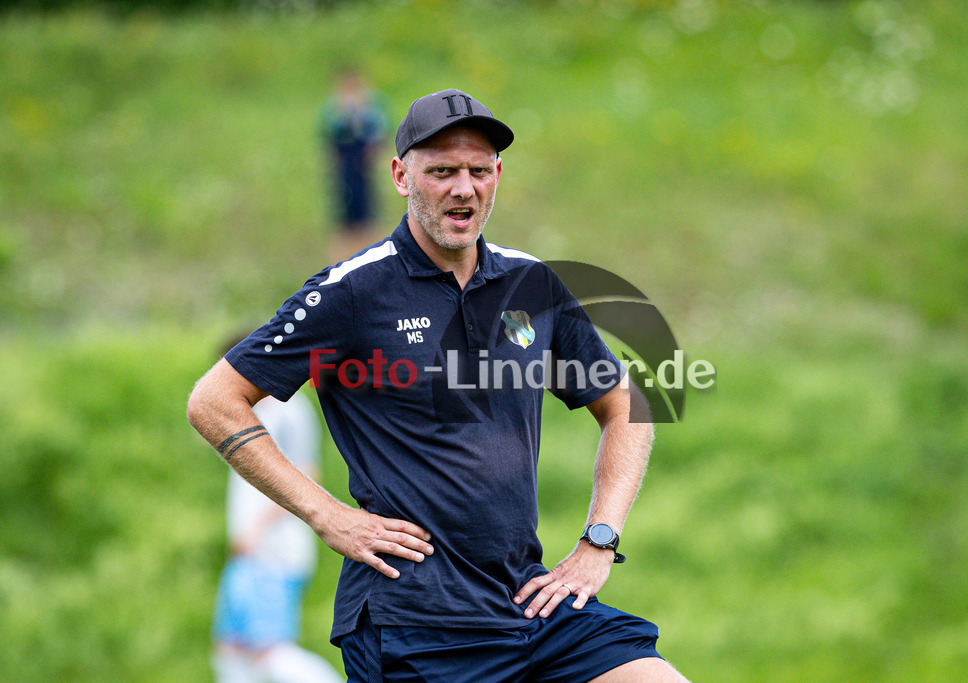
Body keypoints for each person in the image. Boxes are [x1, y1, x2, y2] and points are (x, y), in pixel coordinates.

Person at [188, 88, 689, 682]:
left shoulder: (532, 283)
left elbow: (625, 403)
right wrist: (326, 515)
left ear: (498, 175)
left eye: (479, 171)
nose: (463, 188)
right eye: (442, 171)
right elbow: (214, 402)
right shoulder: (352, 291)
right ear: (401, 176)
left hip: (530, 604)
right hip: (416, 622)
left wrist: (598, 541)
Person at [211, 370, 346, 683]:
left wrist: (256, 529)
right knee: (231, 650)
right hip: (248, 552)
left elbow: (308, 471)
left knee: (268, 652)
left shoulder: (290, 410)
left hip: (274, 550)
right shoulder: (253, 411)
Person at [320, 67, 388, 262]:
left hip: (363, 162)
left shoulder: (373, 105)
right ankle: (345, 240)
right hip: (345, 160)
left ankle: (367, 239)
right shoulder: (333, 107)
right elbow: (329, 134)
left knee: (367, 200)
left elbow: (380, 130)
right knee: (344, 198)